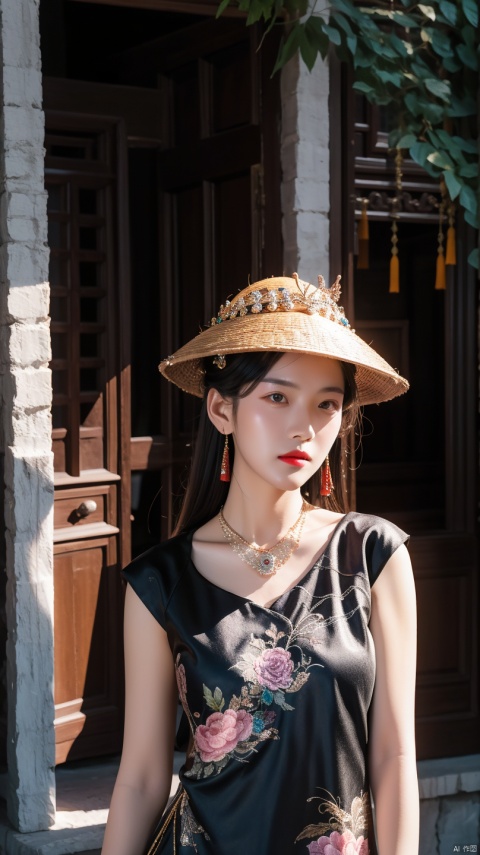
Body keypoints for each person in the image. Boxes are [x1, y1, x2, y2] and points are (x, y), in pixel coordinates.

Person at [102, 274, 419, 855]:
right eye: (277, 397)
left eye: (327, 404)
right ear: (221, 409)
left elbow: (395, 756)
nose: (304, 426)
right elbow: (142, 777)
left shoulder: (373, 556)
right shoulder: (160, 582)